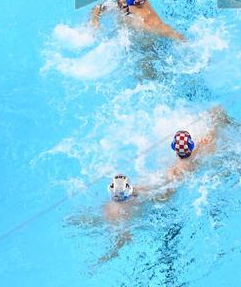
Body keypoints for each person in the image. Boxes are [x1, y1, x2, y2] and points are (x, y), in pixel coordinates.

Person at [86, 107, 231, 263]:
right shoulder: (198, 153)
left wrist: (105, 257)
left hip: (162, 196)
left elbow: (123, 238)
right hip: (167, 190)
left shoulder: (112, 209)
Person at [90, 0, 185, 42]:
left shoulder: (148, 22)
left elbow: (172, 33)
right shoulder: (123, 0)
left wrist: (185, 43)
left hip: (146, 45)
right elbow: (98, 7)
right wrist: (95, 22)